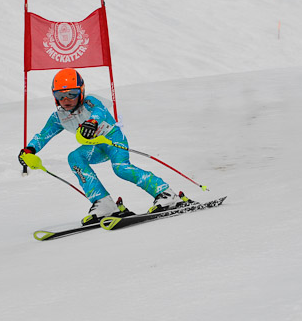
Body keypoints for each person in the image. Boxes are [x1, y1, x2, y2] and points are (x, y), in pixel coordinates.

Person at [19, 68, 181, 225]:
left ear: (81, 93)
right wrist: (29, 150)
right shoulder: (58, 117)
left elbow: (100, 110)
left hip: (113, 140)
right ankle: (103, 202)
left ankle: (165, 193)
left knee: (121, 168)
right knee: (74, 157)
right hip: (95, 147)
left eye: (71, 94)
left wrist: (92, 122)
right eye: (60, 95)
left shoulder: (90, 102)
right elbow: (43, 135)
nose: (66, 99)